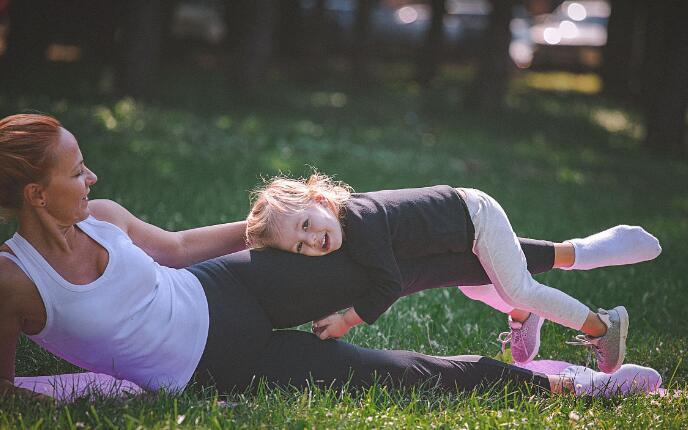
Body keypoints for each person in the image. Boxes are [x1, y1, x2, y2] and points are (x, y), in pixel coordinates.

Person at [0, 114, 660, 402]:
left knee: (376, 249)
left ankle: (541, 265)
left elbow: (173, 250)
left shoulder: (106, 220)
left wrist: (282, 225)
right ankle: (579, 388)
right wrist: (90, 391)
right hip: (220, 369)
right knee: (402, 373)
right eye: (77, 171)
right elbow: (8, 398)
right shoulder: (12, 281)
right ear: (36, 193)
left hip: (230, 289)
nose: (93, 178)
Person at [246, 175, 661, 372]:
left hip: (474, 217)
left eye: (306, 225)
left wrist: (347, 319)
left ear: (320, 199)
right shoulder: (348, 225)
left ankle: (602, 325)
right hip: (456, 233)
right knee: (476, 286)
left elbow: (388, 283)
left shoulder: (361, 221)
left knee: (519, 285)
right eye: (299, 246)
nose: (312, 240)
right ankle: (522, 315)